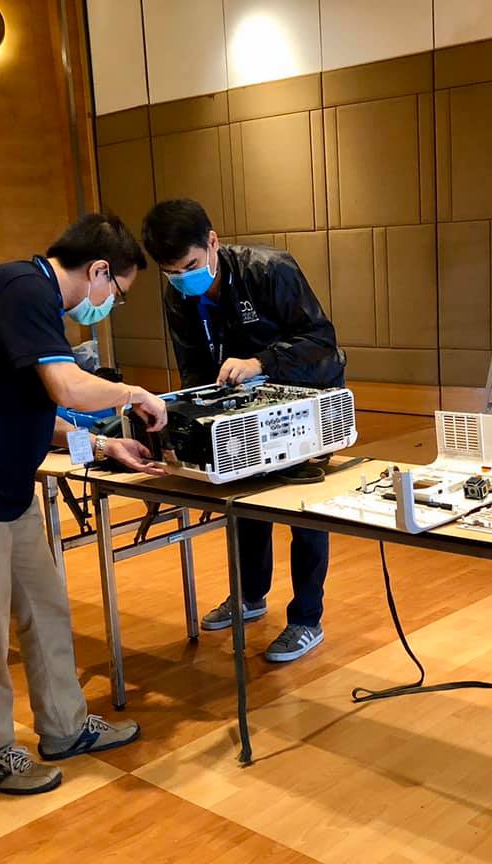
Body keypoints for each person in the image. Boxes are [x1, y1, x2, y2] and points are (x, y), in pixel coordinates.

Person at [0, 213, 167, 796]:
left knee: (45, 609)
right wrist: (133, 393)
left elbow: (34, 411)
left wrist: (104, 444)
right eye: (117, 293)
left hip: (4, 490)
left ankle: (66, 727)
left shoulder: (29, 300)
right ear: (99, 271)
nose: (109, 306)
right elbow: (69, 388)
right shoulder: (21, 288)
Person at [142, 198, 346, 664]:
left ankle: (306, 619)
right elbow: (194, 367)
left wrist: (261, 362)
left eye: (190, 266)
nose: (183, 278)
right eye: (171, 272)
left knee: (302, 510)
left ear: (213, 242)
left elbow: (321, 340)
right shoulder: (178, 295)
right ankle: (250, 596)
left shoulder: (270, 269)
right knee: (244, 502)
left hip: (306, 397)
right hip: (243, 408)